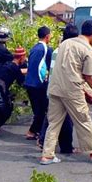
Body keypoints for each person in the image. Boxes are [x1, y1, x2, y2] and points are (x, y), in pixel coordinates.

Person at [40, 20, 92, 165]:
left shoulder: (65, 43)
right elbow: (88, 76)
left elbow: (68, 69)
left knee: (53, 123)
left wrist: (86, 90)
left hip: (55, 88)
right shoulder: (88, 50)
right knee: (84, 121)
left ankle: (47, 156)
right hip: (72, 90)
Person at [37, 24, 78, 154]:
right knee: (62, 120)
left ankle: (48, 143)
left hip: (53, 89)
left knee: (54, 118)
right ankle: (61, 147)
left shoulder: (56, 50)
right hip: (64, 91)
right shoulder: (70, 52)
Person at [24, 26, 53, 140]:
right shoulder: (47, 49)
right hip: (38, 84)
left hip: (29, 83)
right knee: (42, 110)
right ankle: (32, 131)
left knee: (38, 110)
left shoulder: (34, 48)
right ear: (47, 36)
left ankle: (36, 131)